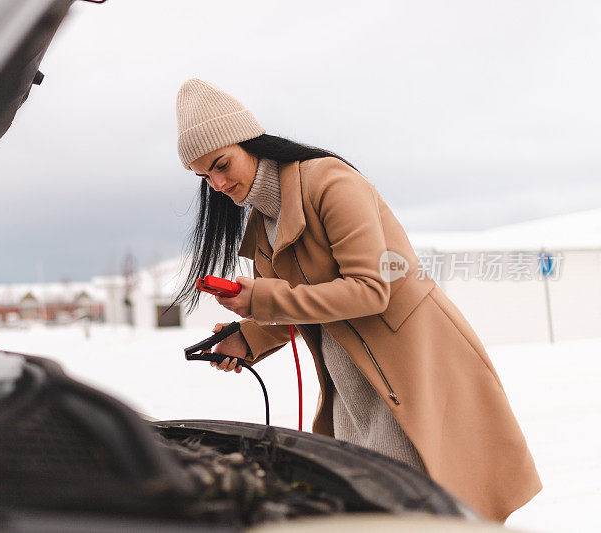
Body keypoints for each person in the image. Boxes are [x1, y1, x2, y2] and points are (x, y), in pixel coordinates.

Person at [171, 78, 541, 523]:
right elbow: (301, 306)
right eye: (204, 175)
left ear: (249, 141)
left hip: (412, 373)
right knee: (374, 512)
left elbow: (370, 288)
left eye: (221, 164)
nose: (218, 183)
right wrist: (246, 339)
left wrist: (263, 299)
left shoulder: (329, 181)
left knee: (419, 513)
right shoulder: (262, 222)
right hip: (351, 387)